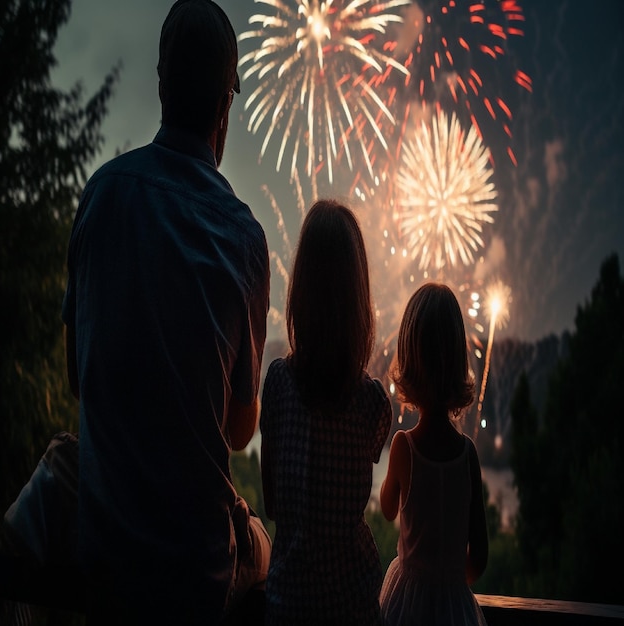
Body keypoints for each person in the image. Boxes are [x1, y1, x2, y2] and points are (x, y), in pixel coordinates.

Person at [61, 1, 271, 624]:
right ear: (225, 104)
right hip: (193, 577)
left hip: (98, 565)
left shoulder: (101, 196)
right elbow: (236, 432)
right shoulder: (241, 235)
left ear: (160, 86)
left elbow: (79, 377)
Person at [259, 199, 393, 625]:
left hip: (288, 603)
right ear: (359, 302)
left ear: (299, 293)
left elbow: (273, 504)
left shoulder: (278, 384)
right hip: (355, 604)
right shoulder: (373, 404)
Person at [379, 282, 489, 625]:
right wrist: (450, 587)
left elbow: (385, 509)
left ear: (408, 361)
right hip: (455, 606)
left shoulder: (403, 447)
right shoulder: (468, 454)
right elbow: (479, 555)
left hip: (407, 604)